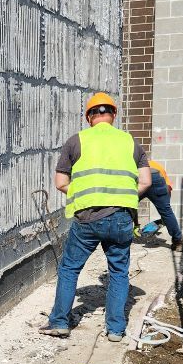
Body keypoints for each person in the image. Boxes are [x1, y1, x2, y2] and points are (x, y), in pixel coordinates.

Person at [40, 92, 152, 341]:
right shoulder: (131, 142)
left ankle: (59, 322)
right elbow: (146, 181)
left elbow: (60, 183)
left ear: (89, 116)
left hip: (87, 218)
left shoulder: (76, 141)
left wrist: (88, 193)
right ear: (113, 115)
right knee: (119, 272)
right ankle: (115, 330)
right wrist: (120, 195)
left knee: (70, 269)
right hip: (121, 216)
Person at [142, 159, 183, 251]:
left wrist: (136, 224)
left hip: (140, 175)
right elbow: (168, 189)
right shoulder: (156, 166)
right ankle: (178, 241)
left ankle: (121, 236)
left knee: (127, 204)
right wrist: (166, 212)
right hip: (156, 177)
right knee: (167, 211)